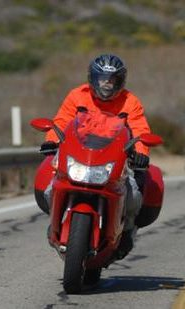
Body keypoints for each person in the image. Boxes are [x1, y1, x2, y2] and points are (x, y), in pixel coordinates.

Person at [41, 54, 152, 257]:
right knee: (49, 189)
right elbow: (62, 120)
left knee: (133, 194)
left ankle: (126, 230)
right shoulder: (77, 95)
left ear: (120, 82)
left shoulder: (130, 101)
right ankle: (56, 223)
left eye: (113, 80)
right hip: (79, 155)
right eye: (103, 79)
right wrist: (51, 140)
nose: (107, 84)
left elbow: (140, 129)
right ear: (93, 78)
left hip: (114, 159)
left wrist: (141, 153)